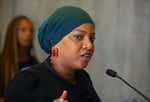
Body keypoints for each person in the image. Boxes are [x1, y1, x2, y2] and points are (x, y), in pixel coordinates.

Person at [4, 6, 101, 102]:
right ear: (54, 42)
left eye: (92, 39)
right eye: (78, 37)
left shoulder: (83, 78)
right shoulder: (27, 82)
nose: (89, 45)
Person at [0, 15, 39, 101]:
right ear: (12, 32)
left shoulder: (35, 62)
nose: (28, 34)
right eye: (23, 29)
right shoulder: (2, 63)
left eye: (31, 30)